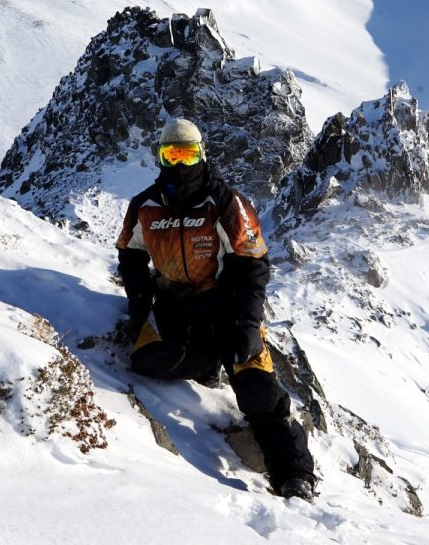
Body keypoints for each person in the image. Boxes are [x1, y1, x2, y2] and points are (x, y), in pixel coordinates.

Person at [116, 118, 317, 500]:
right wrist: (139, 307)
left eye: (186, 153)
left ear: (201, 154)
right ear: (158, 157)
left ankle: (293, 473)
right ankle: (209, 362)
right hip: (175, 303)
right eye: (170, 154)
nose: (179, 163)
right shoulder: (145, 207)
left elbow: (253, 265)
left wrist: (246, 321)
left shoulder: (226, 203)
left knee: (256, 386)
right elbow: (131, 256)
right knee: (146, 360)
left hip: (229, 306)